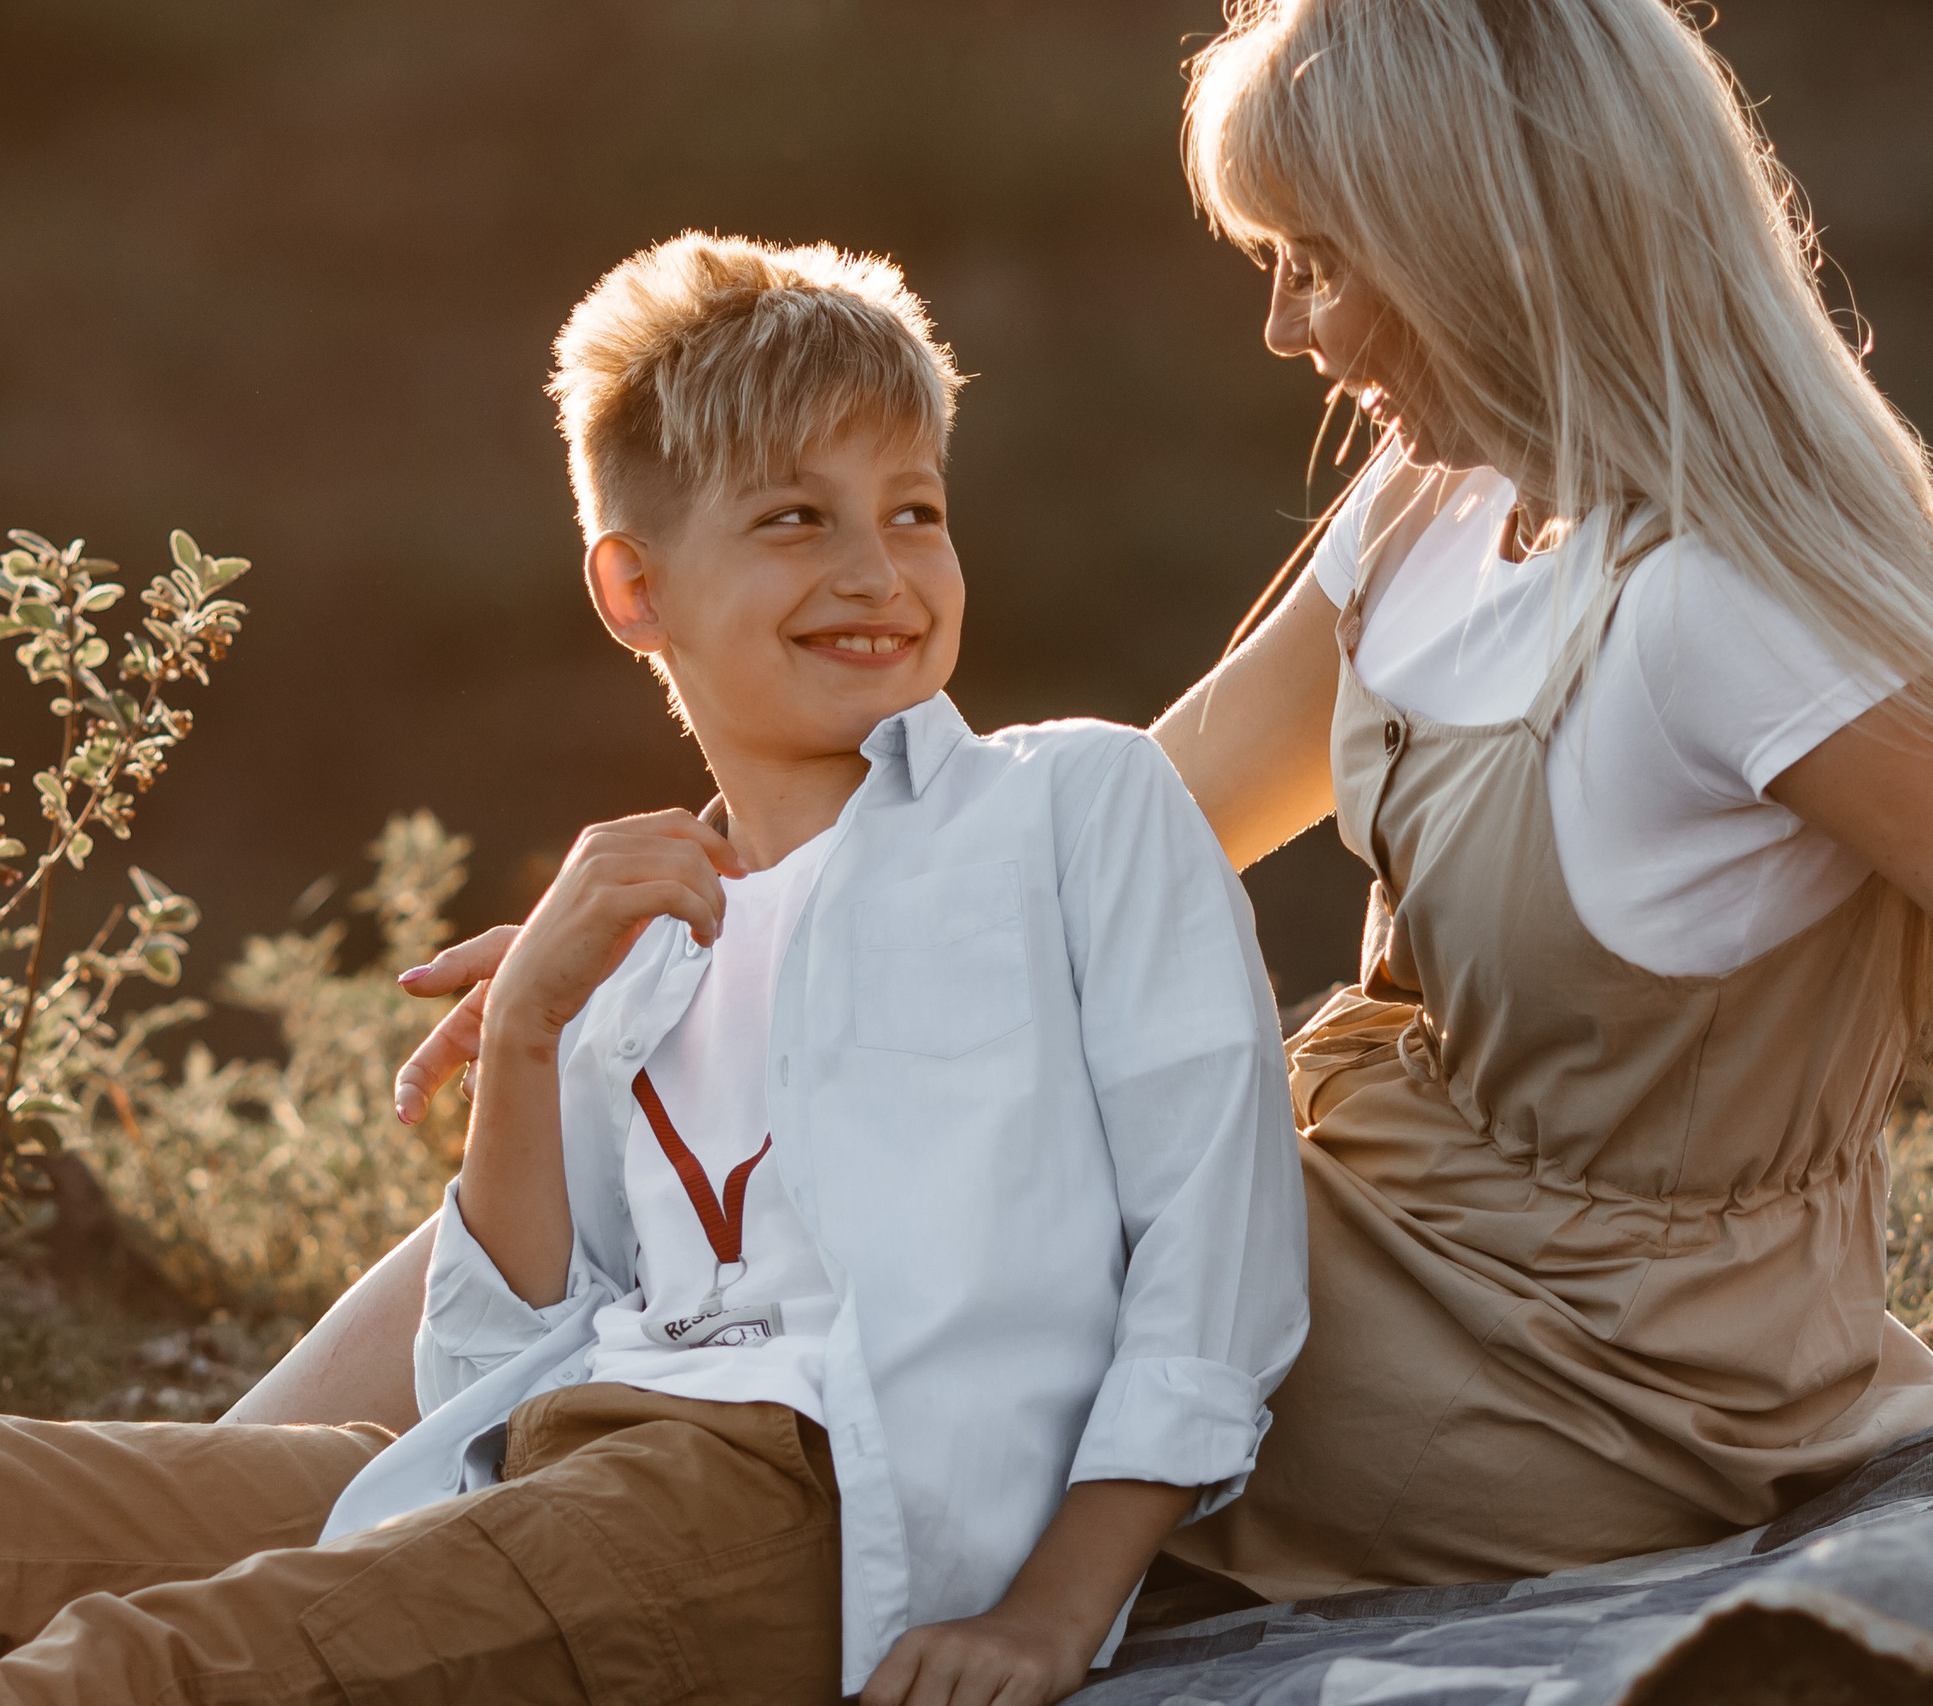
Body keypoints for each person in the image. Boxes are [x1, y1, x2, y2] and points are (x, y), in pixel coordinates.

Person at [251, 0, 1933, 1607]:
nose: (1286, 325)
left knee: (829, 1287)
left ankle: (225, 1538)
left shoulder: (1729, 612)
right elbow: (1091, 840)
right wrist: (699, 922)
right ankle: (216, 1500)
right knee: (680, 1108)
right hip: (1359, 1227)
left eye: (1320, 263)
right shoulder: (1433, 505)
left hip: (1562, 1374)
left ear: (1477, 243)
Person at [0, 233, 1307, 1706]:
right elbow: (493, 1358)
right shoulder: (635, 924)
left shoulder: (1072, 806)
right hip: (560, 1459)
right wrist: (527, 1032)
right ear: (632, 589)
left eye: (913, 509)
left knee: (130, 1677)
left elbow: (1212, 1245)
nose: (880, 571)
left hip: (819, 1508)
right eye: (793, 518)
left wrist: (1057, 1609)